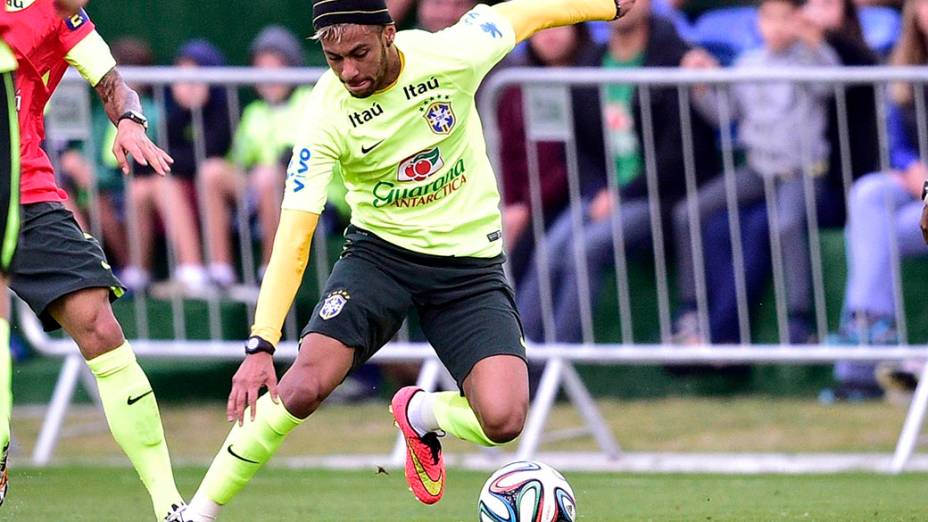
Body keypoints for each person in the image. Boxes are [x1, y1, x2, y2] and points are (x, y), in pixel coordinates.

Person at [184, 0, 631, 519]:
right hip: (380, 258)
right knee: (302, 387)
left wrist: (604, 5)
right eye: (334, 59)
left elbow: (522, 16)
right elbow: (294, 232)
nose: (349, 71)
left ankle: (419, 412)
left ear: (390, 34)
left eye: (359, 53)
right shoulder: (325, 112)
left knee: (505, 420)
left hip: (468, 267)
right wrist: (261, 342)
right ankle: (197, 513)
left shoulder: (451, 54)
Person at [3, 2, 188, 520]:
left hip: (27, 188)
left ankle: (169, 505)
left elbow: (113, 83)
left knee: (99, 326)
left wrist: (129, 121)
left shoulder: (63, 14)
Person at [517, 0, 719, 343]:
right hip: (604, 195)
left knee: (586, 249)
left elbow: (680, 151)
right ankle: (517, 356)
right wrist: (599, 190)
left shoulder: (675, 56)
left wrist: (622, 194)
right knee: (550, 250)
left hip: (661, 197)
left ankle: (553, 363)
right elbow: (577, 147)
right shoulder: (591, 62)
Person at [674, 0, 840, 345]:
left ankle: (799, 319)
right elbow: (722, 116)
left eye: (785, 18)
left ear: (797, 19)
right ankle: (690, 310)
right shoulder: (748, 64)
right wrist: (700, 85)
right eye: (769, 18)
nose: (777, 27)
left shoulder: (810, 59)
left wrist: (814, 43)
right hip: (758, 169)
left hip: (803, 171)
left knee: (786, 222)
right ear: (758, 22)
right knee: (689, 212)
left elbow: (829, 86)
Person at [829, 0, 928, 399]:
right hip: (915, 186)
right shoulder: (902, 67)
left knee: (880, 232)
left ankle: (856, 371)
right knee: (868, 194)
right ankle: (873, 324)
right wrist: (909, 167)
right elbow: (896, 142)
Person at [202, 27, 315, 287]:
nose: (269, 76)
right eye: (261, 68)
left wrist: (278, 165)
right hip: (261, 188)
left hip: (307, 193)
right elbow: (238, 160)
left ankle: (272, 270)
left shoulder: (309, 99)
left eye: (276, 67)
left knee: (267, 177)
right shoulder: (254, 112)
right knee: (212, 172)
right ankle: (221, 269)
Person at [56, 37, 161, 291]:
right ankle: (86, 269)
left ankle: (130, 269)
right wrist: (75, 166)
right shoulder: (100, 115)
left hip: (122, 189)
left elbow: (141, 165)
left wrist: (93, 177)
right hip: (94, 189)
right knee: (61, 195)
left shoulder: (149, 112)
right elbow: (84, 154)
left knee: (101, 197)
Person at [496, 24, 597, 286]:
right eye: (543, 27)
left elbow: (573, 159)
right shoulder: (515, 85)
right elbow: (507, 154)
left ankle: (528, 328)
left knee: (537, 256)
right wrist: (512, 206)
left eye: (560, 26)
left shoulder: (591, 78)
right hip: (522, 204)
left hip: (569, 196)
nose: (550, 35)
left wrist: (527, 208)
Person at [161, 40, 232, 294]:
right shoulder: (177, 115)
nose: (187, 87)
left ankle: (221, 270)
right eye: (181, 79)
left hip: (238, 185)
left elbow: (213, 151)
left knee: (210, 172)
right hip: (195, 186)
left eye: (195, 78)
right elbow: (165, 156)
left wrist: (180, 161)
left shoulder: (226, 108)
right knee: (165, 181)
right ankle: (192, 271)